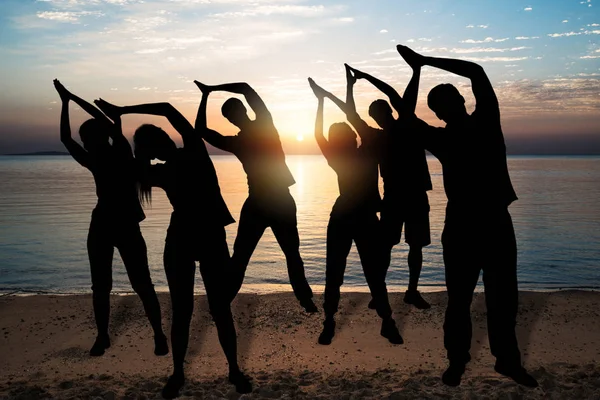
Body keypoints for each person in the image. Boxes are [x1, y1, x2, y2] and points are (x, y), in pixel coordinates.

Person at [394, 45, 538, 388]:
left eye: (449, 102)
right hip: (465, 226)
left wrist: (421, 65)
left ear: (457, 103)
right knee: (460, 300)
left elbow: (473, 72)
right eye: (444, 105)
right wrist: (419, 67)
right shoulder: (453, 134)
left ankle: (505, 362)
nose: (450, 107)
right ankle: (458, 361)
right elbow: (472, 72)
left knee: (502, 298)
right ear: (446, 110)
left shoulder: (484, 123)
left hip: (491, 222)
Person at [94, 97, 252, 398]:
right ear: (156, 146)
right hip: (192, 238)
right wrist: (120, 115)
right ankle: (188, 372)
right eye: (152, 147)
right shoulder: (179, 159)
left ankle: (224, 370)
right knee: (195, 310)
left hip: (196, 237)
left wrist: (119, 115)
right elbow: (166, 112)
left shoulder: (181, 157)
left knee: (209, 310)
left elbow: (165, 110)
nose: (159, 148)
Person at [53, 79, 167, 358]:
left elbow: (69, 136)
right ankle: (116, 335)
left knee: (127, 284)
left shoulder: (113, 153)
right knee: (117, 285)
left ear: (92, 139)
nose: (84, 143)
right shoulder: (114, 153)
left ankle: (153, 334)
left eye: (86, 139)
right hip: (109, 224)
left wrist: (67, 101)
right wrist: (70, 98)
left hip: (116, 223)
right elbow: (78, 133)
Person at [193, 80, 317, 312]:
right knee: (250, 255)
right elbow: (245, 90)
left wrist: (208, 93)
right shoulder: (258, 130)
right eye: (233, 116)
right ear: (238, 114)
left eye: (233, 115)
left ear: (236, 115)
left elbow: (244, 91)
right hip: (266, 201)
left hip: (271, 200)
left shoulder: (253, 133)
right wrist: (209, 92)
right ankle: (302, 298)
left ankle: (303, 298)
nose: (234, 118)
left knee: (277, 253)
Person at [307, 68, 403, 346]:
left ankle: (385, 322)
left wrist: (322, 101)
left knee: (366, 274)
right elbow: (325, 130)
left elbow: (327, 127)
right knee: (339, 273)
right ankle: (332, 321)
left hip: (358, 218)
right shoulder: (352, 155)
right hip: (348, 218)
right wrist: (324, 100)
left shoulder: (356, 154)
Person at [343, 62, 433, 310]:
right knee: (387, 247)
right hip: (396, 197)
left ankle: (410, 292)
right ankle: (381, 292)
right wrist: (353, 84)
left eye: (379, 113)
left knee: (410, 247)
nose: (379, 117)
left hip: (410, 196)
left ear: (386, 113)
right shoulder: (381, 134)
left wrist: (358, 81)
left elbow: (394, 97)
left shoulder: (406, 126)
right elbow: (352, 115)